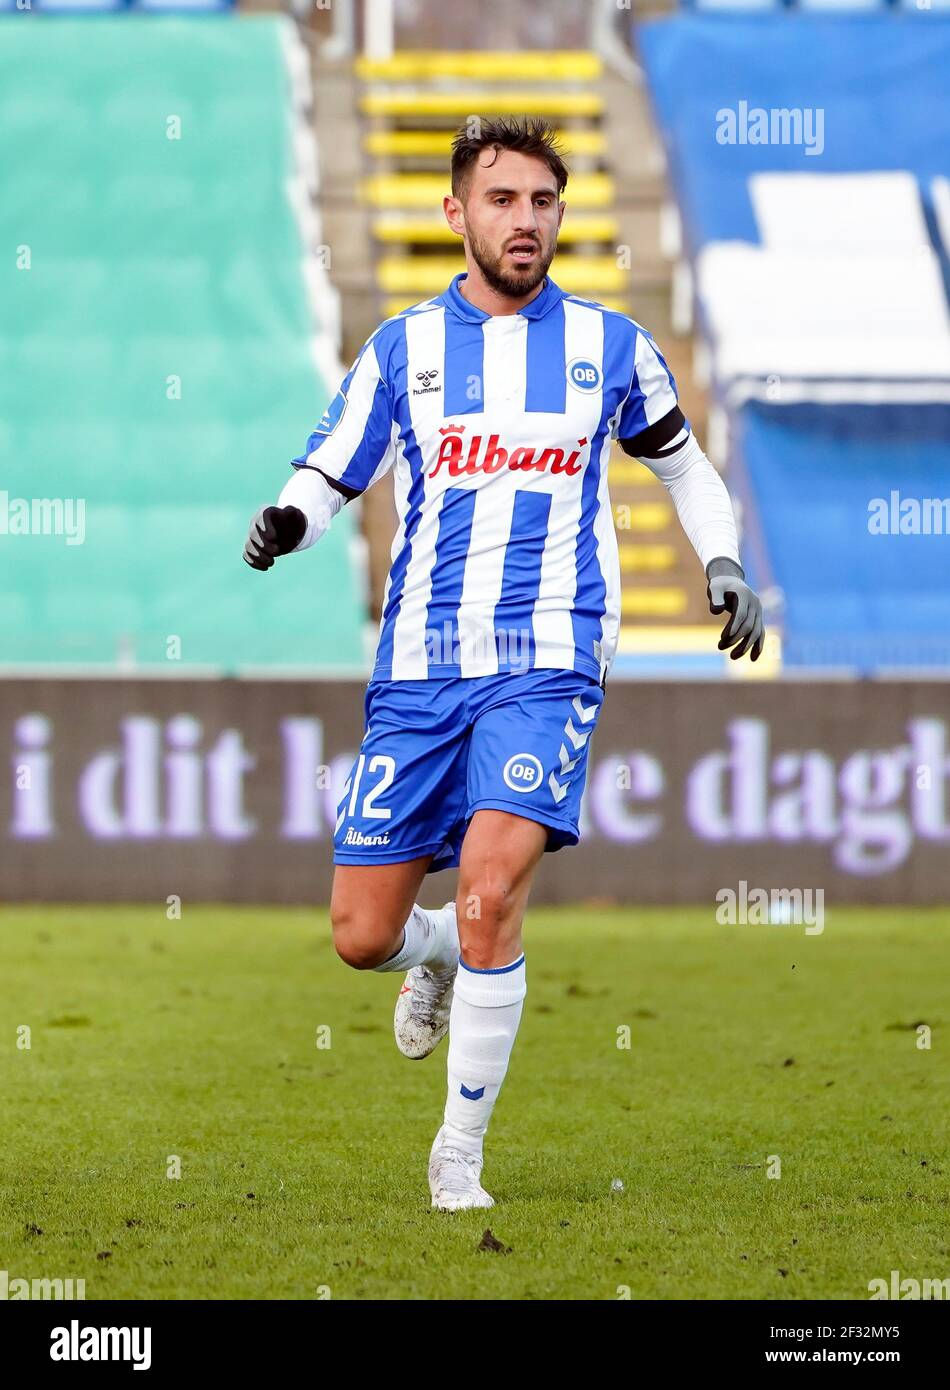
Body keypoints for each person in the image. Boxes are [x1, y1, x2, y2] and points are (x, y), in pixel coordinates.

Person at [244, 116, 764, 1211]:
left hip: (550, 658)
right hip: (421, 668)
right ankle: (427, 954)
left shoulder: (610, 347)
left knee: (490, 891)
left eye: (540, 201)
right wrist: (287, 521)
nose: (523, 220)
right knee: (359, 936)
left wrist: (719, 562)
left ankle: (457, 1157)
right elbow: (328, 471)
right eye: (501, 200)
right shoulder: (402, 351)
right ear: (455, 213)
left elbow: (684, 467)